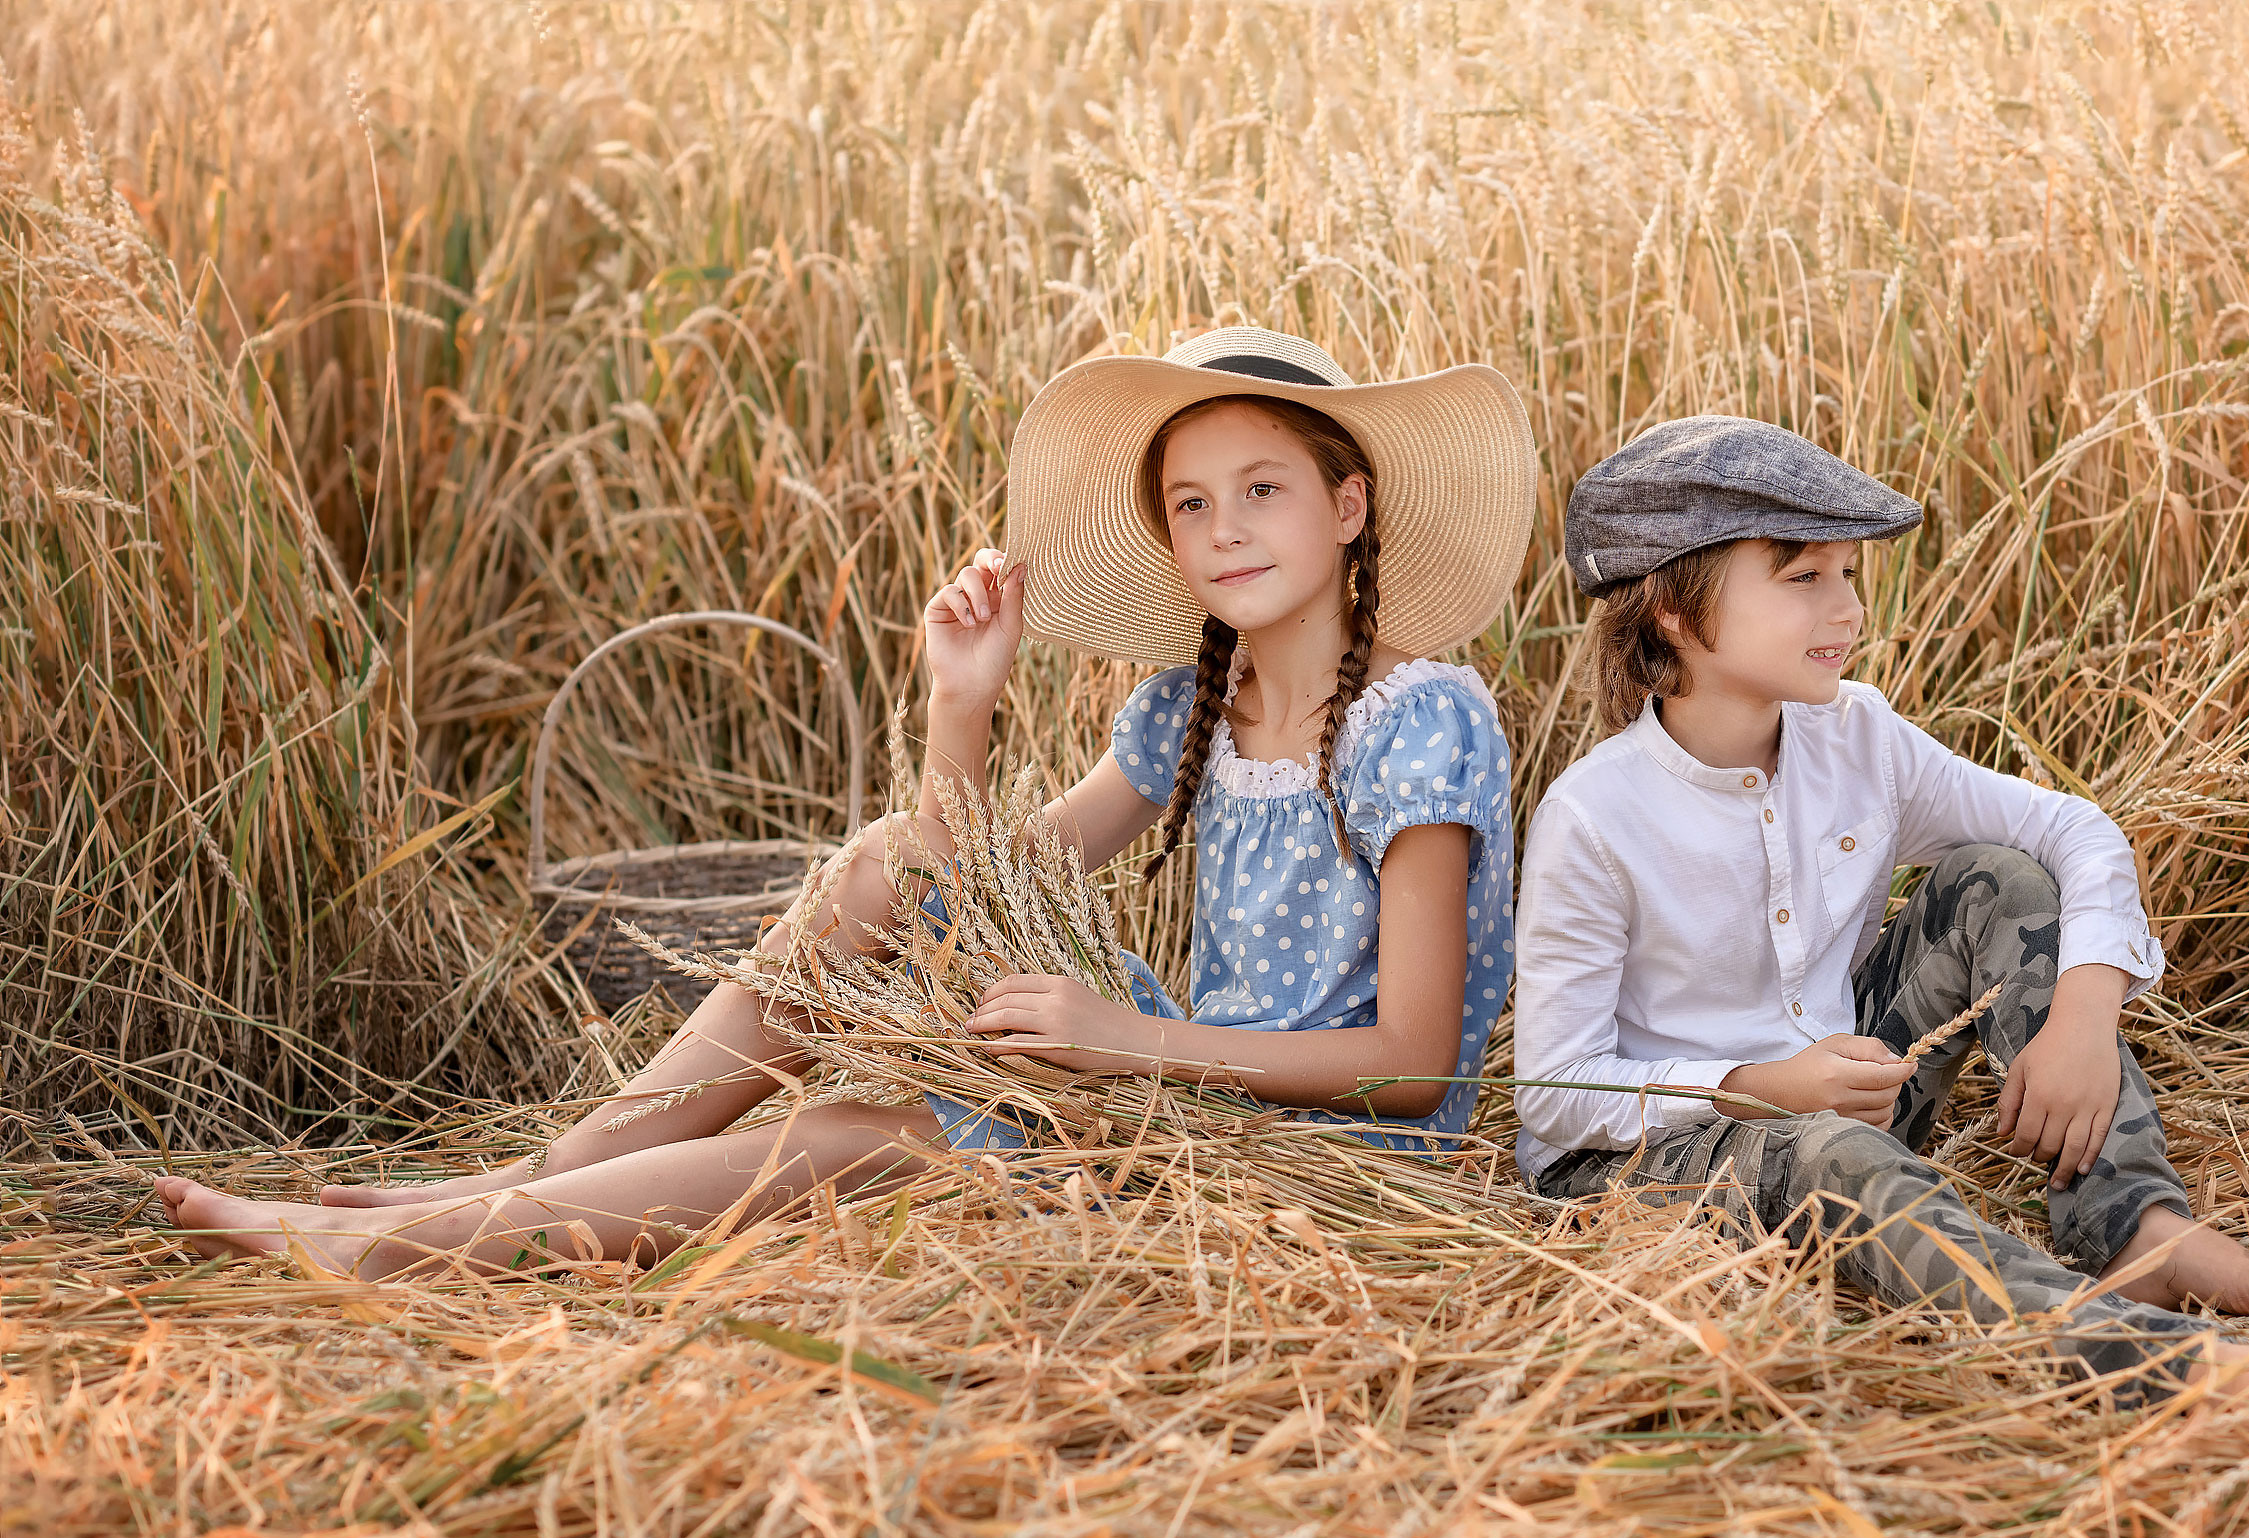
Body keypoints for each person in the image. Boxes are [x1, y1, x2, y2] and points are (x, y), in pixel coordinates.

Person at [156, 328, 1534, 1280]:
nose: (1223, 526)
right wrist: (962, 702)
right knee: (887, 861)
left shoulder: (1420, 717)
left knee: (865, 1143)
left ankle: (405, 1242)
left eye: (1263, 489)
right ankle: (527, 1179)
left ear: (1348, 506)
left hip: (1301, 1152)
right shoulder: (1185, 714)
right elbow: (959, 880)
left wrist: (1122, 1038)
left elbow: (1413, 1058)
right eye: (1190, 502)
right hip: (1168, 1086)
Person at [1513, 416, 2249, 1401]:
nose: (1846, 608)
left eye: (1848, 574)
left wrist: (2081, 1012)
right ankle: (2115, 1350)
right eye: (1802, 576)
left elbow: (2075, 832)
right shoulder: (1595, 815)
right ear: (1676, 612)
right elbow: (1556, 1092)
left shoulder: (1858, 737)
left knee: (1998, 878)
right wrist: (1765, 1085)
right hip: (1639, 1169)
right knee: (1829, 1147)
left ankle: (2134, 1225)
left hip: (1840, 1099)